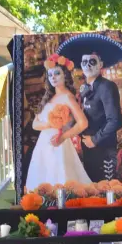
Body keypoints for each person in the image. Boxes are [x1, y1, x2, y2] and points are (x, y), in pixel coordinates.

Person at [58, 34, 122, 181]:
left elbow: (115, 121)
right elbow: (84, 115)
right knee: (92, 188)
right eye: (84, 62)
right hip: (88, 150)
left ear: (100, 64)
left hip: (104, 149)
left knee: (107, 190)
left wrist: (95, 139)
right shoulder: (84, 88)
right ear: (80, 65)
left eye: (92, 61)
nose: (88, 65)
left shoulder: (107, 87)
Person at [24, 54, 91, 187]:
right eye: (50, 75)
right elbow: (35, 124)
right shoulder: (49, 97)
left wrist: (63, 137)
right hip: (43, 145)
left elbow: (83, 123)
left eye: (57, 73)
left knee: (59, 179)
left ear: (65, 75)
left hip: (57, 144)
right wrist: (49, 124)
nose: (53, 77)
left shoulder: (68, 97)